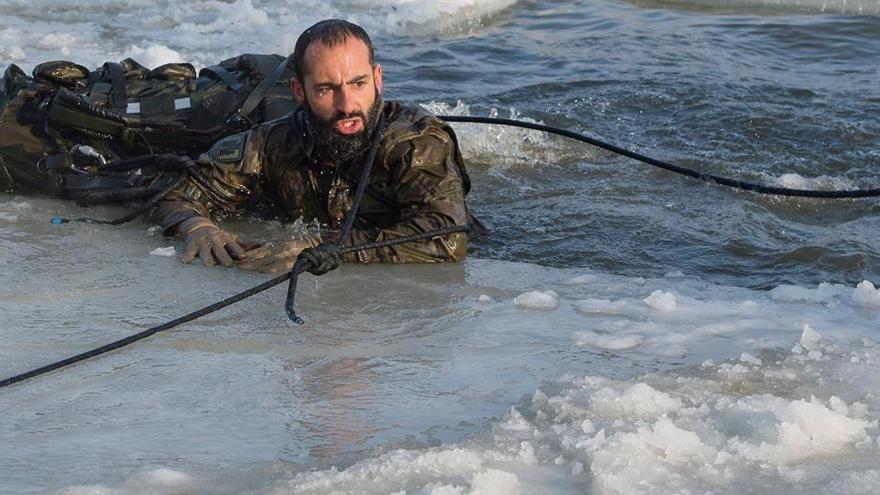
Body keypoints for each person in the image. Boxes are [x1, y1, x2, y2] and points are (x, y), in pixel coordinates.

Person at [148, 19, 474, 273]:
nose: (347, 105)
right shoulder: (273, 143)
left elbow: (446, 239)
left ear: (377, 79)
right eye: (326, 90)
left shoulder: (415, 145)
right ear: (299, 92)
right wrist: (195, 226)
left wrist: (320, 246)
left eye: (358, 84)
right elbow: (178, 188)